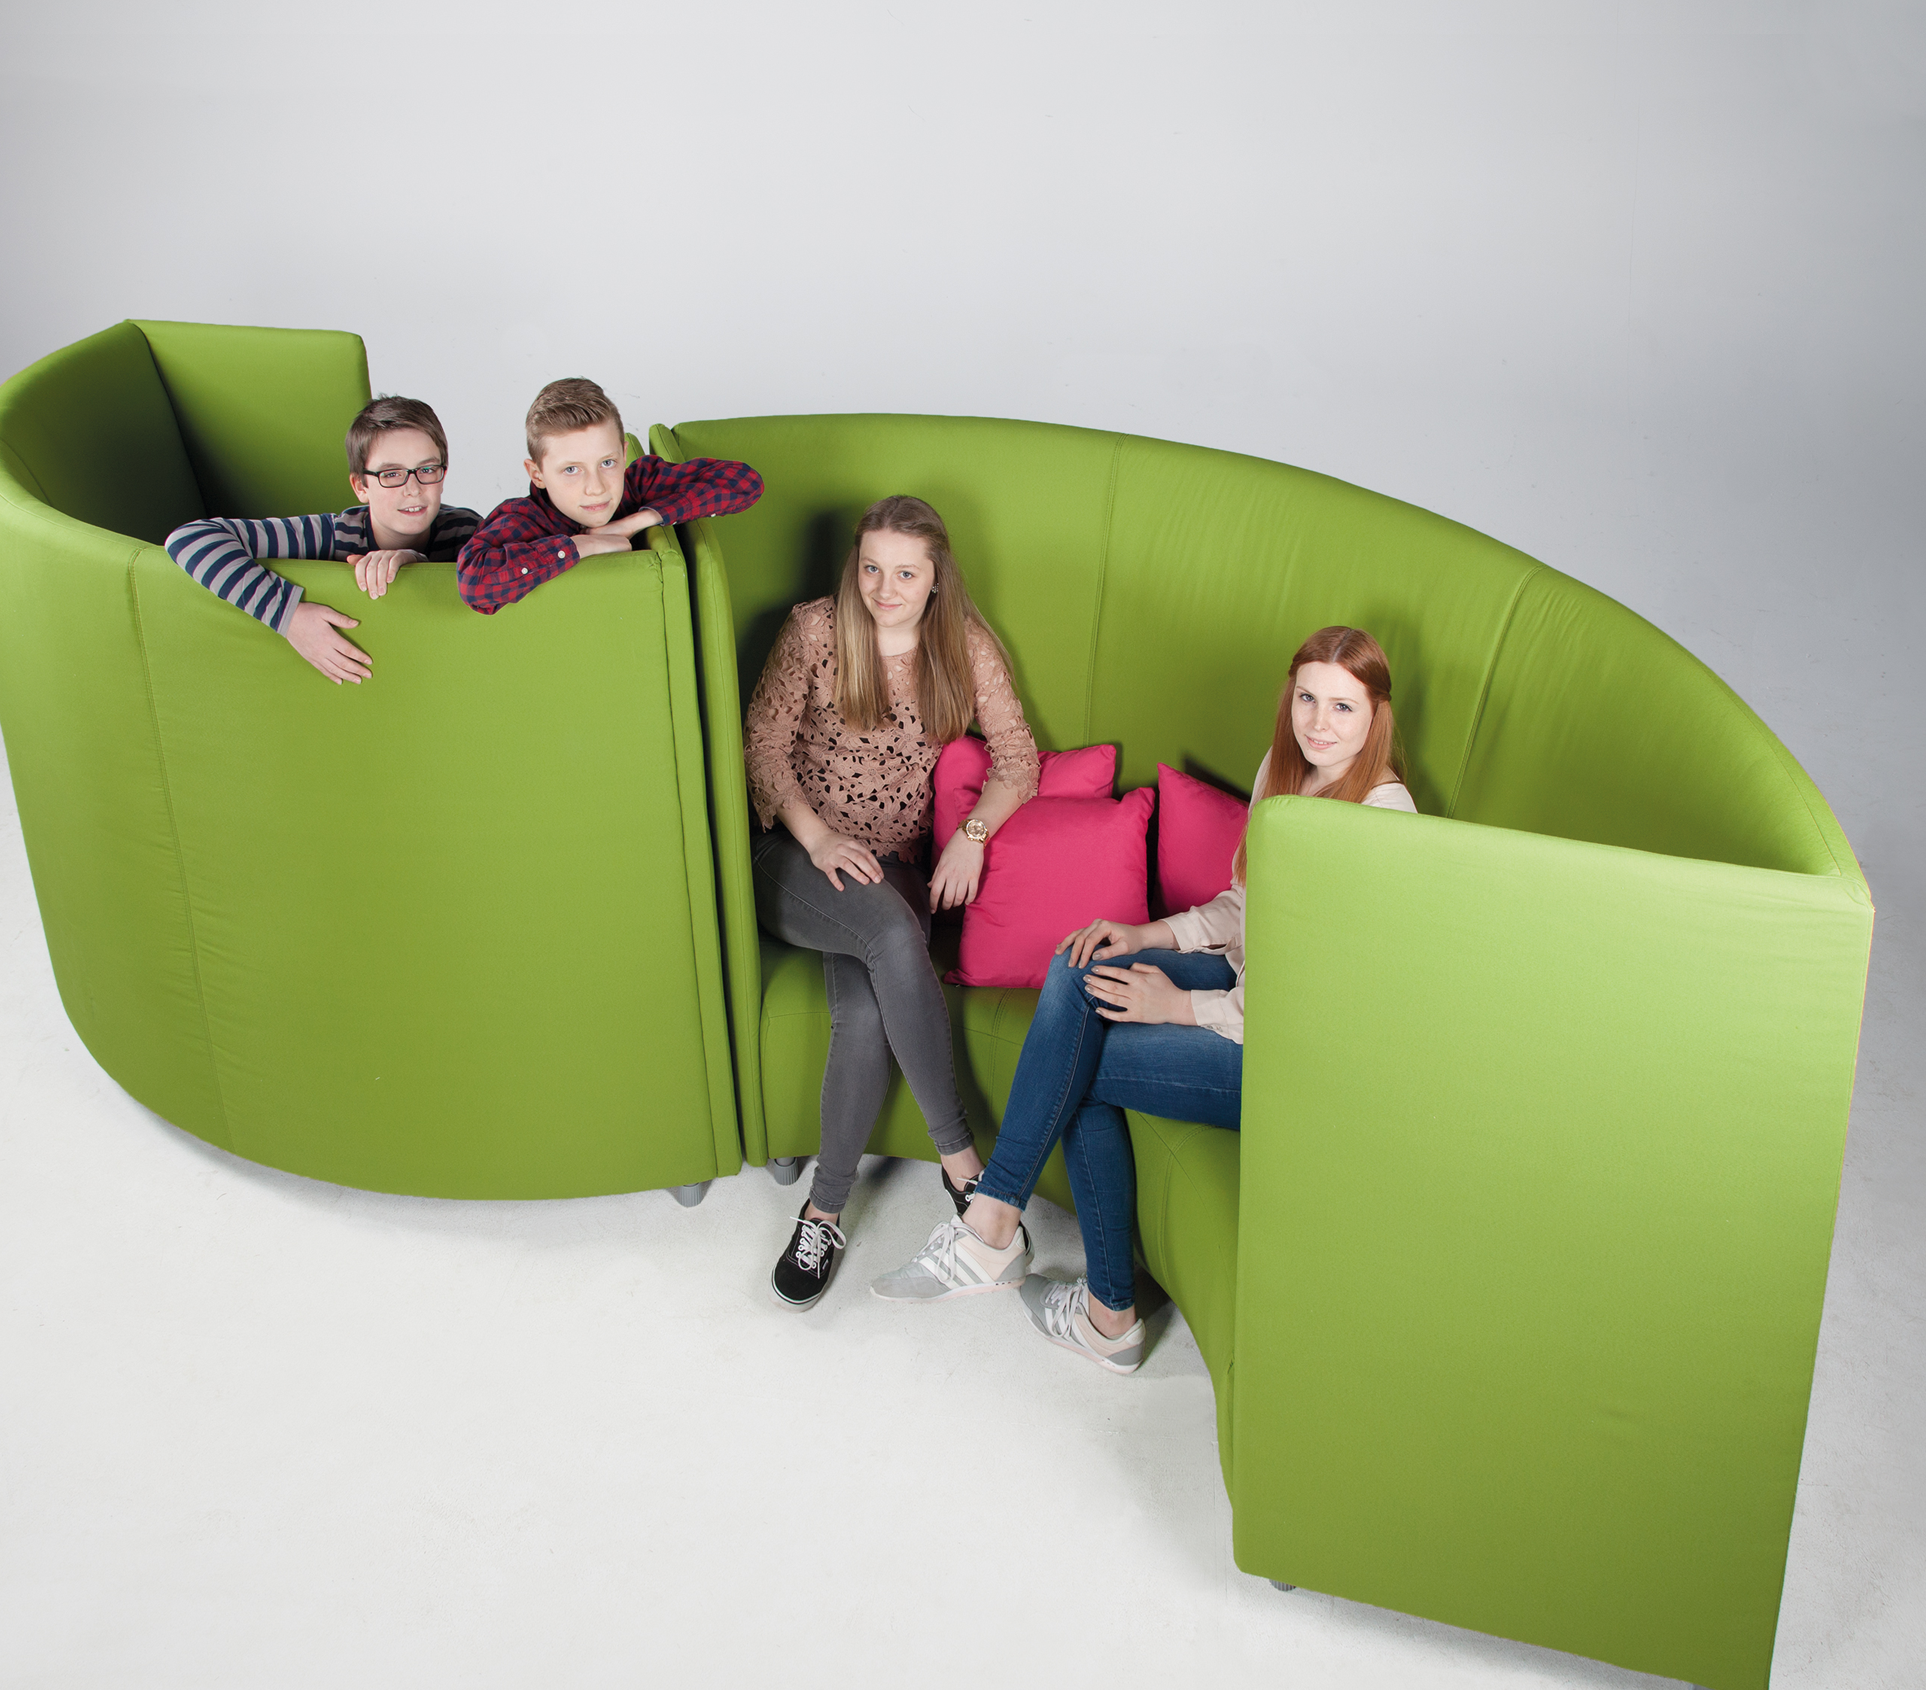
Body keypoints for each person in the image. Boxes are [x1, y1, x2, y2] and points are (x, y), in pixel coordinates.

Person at [873, 625, 1417, 1371]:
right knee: (1081, 964)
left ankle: (1090, 1304)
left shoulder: (1384, 823)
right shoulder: (1289, 769)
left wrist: (1180, 1008)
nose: (1319, 723)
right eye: (1307, 699)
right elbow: (1246, 906)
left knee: (1076, 1071)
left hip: (1299, 1058)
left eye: (1343, 708)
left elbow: (1333, 999)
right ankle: (999, 1228)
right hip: (1249, 988)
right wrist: (1145, 934)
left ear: (1377, 714)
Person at [745, 495, 1041, 1311]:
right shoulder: (815, 630)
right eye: (871, 568)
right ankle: (965, 1168)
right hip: (797, 855)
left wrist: (972, 834)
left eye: (906, 573)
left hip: (896, 865)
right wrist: (816, 840)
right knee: (889, 933)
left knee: (866, 1008)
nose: (884, 588)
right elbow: (761, 748)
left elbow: (1018, 758)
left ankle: (822, 1212)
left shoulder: (965, 645)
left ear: (937, 577)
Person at [165, 396, 479, 685]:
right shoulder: (333, 534)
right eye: (391, 474)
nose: (413, 488)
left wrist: (415, 565)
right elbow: (189, 539)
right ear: (361, 486)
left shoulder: (467, 531)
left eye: (427, 469)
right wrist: (289, 617)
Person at [455, 379, 762, 614]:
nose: (596, 487)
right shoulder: (521, 519)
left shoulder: (637, 485)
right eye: (572, 469)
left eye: (607, 463)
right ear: (537, 474)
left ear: (624, 455)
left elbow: (744, 482)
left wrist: (637, 521)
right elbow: (473, 582)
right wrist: (581, 545)